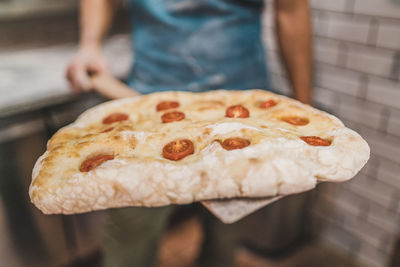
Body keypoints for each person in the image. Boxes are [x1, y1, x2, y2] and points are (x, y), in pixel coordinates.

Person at [66, 0, 312, 266]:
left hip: (242, 115)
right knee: (130, 240)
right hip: (147, 107)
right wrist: (89, 44)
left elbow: (291, 11)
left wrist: (304, 109)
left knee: (223, 239)